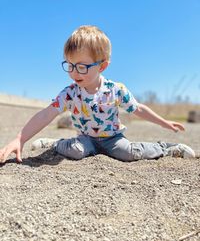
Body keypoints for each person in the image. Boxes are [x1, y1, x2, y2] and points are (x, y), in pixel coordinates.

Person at [0, 25, 195, 164]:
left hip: (113, 138)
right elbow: (46, 114)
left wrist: (165, 123)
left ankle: (167, 148)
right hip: (85, 139)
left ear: (102, 66)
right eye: (70, 65)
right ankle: (57, 144)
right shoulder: (69, 93)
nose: (74, 73)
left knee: (128, 153)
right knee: (76, 151)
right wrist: (20, 138)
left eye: (82, 67)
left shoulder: (115, 89)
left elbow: (138, 109)